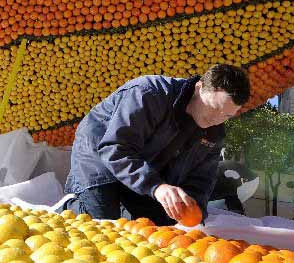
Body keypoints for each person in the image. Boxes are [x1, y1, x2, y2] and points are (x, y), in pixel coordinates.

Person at [58, 64, 251, 225]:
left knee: (159, 226)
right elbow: (115, 148)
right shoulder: (149, 93)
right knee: (102, 223)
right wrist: (156, 187)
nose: (216, 119)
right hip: (99, 153)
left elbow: (202, 179)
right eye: (214, 108)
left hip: (144, 168)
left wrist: (193, 210)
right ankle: (71, 205)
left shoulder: (214, 133)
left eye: (226, 116)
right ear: (199, 88)